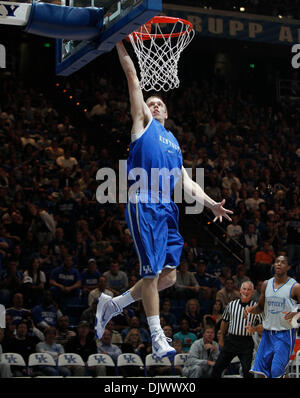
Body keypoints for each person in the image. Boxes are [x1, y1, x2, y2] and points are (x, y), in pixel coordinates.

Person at [94, 40, 233, 360]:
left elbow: (185, 183)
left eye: (159, 104)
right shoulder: (141, 127)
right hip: (143, 201)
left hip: (168, 208)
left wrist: (211, 204)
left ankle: (113, 305)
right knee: (152, 275)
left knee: (168, 276)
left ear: (167, 113)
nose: (154, 105)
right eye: (150, 102)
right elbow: (132, 78)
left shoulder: (173, 143)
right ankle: (158, 336)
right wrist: (120, 42)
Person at [245, 255, 300, 378]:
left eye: (283, 262)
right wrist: (249, 311)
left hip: (285, 334)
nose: (279, 264)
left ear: (288, 267)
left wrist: (296, 313)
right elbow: (260, 307)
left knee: (276, 371)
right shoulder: (266, 284)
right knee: (263, 372)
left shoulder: (295, 287)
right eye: (277, 262)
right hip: (267, 334)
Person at [212, 281, 262, 378]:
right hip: (231, 340)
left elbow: (262, 326)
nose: (246, 291)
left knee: (247, 371)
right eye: (244, 289)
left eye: (249, 289)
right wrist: (221, 338)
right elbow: (224, 321)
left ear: (253, 292)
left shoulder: (256, 307)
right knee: (217, 367)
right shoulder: (231, 305)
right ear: (240, 290)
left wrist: (254, 329)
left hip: (246, 342)